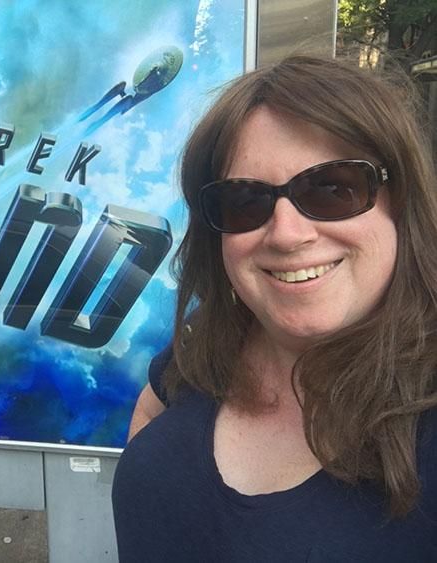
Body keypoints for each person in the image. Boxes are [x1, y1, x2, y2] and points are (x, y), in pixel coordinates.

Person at [112, 55, 437, 562]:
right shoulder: (213, 338)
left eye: (333, 189)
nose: (286, 234)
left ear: (400, 201)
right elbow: (151, 408)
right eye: (245, 200)